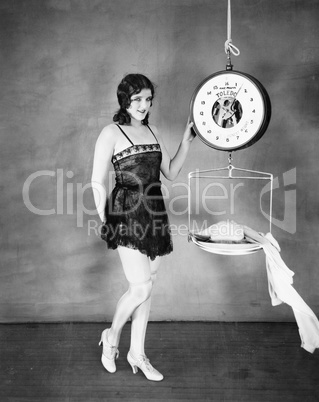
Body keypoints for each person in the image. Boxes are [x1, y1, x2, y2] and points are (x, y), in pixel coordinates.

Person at [91, 73, 195, 381]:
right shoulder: (111, 132)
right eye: (137, 99)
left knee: (148, 284)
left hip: (155, 214)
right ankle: (111, 336)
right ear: (124, 99)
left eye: (148, 99)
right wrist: (106, 221)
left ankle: (138, 352)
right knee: (141, 287)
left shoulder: (153, 130)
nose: (143, 105)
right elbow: (96, 182)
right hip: (125, 214)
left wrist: (186, 143)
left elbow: (171, 173)